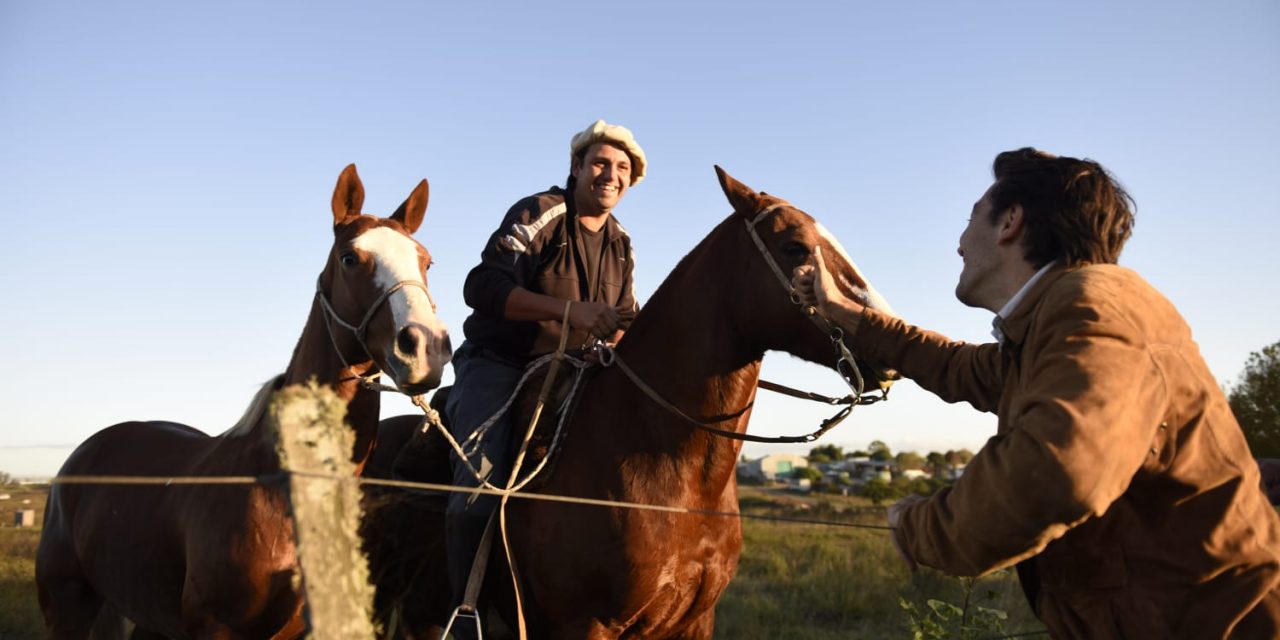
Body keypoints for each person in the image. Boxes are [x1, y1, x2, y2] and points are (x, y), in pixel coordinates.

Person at [793, 148, 1280, 638]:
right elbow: (952, 365)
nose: (959, 244)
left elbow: (1058, 469)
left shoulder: (1096, 306)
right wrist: (843, 311)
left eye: (970, 220)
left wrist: (919, 526)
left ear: (1010, 221)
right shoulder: (1053, 325)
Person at [443, 120, 645, 614]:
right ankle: (464, 612)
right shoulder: (542, 211)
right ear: (576, 167)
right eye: (600, 162)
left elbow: (624, 320)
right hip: (502, 366)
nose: (610, 175)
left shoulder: (622, 242)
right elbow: (482, 287)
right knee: (480, 484)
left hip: (578, 375)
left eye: (622, 169)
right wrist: (570, 312)